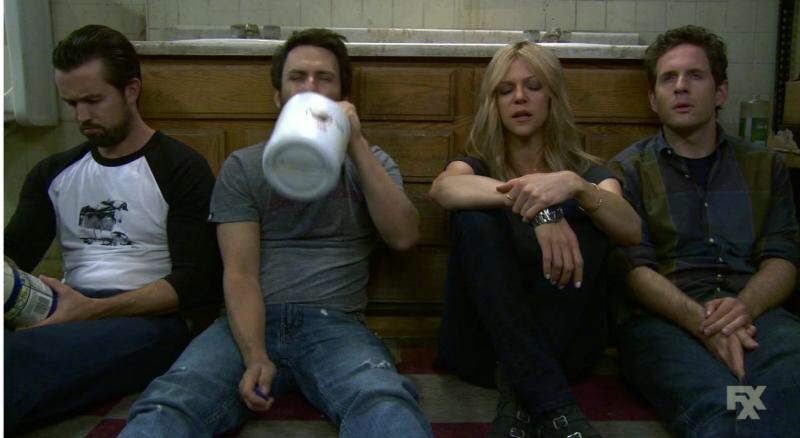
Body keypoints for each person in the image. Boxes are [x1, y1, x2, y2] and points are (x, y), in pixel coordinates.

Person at [119, 28, 432, 437]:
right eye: (297, 77)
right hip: (246, 324)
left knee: (383, 400)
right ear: (278, 97)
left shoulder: (371, 162)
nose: (310, 87)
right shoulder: (245, 167)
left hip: (335, 325)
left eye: (324, 78)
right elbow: (239, 273)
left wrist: (354, 142)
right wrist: (254, 354)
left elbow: (403, 236)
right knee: (172, 400)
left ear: (343, 96)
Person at [3, 25, 223, 432]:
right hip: (67, 303)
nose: (81, 116)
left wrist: (92, 310)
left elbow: (196, 283)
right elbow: (14, 251)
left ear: (131, 90)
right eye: (72, 103)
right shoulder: (53, 173)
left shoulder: (180, 168)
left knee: (15, 360)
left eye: (93, 100)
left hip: (150, 318)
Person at [430, 40, 641, 438]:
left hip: (564, 353)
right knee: (474, 219)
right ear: (493, 103)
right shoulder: (475, 166)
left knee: (593, 218)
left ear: (552, 96)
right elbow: (444, 189)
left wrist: (575, 187)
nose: (520, 98)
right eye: (505, 90)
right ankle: (555, 407)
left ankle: (522, 399)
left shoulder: (583, 173)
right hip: (484, 352)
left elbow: (630, 229)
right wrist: (541, 209)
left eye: (533, 86)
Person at [609, 25, 800, 437]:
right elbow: (633, 269)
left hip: (757, 315)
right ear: (653, 99)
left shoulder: (765, 166)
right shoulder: (627, 172)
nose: (680, 87)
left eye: (694, 75)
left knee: (785, 389)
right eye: (668, 78)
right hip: (667, 321)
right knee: (720, 404)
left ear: (720, 92)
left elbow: (783, 256)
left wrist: (744, 308)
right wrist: (703, 323)